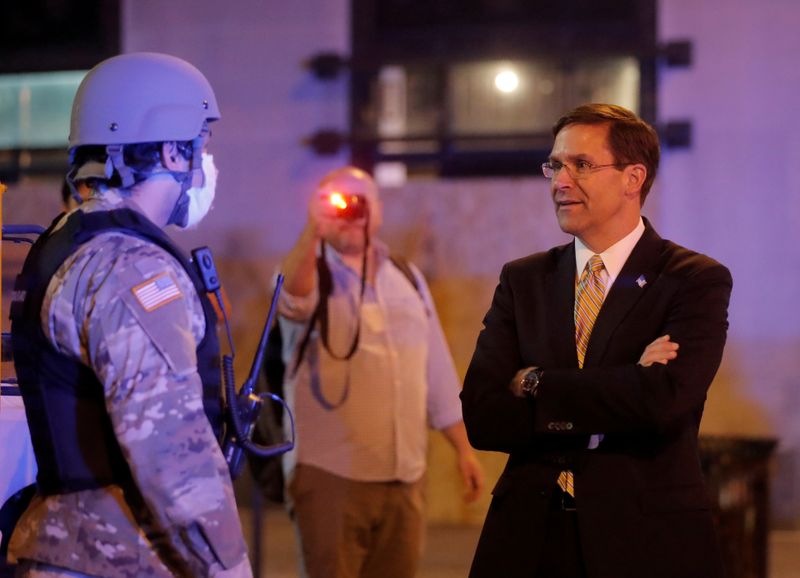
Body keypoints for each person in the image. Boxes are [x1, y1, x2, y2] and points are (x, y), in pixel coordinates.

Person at [460, 103, 732, 578]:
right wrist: (622, 385)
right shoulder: (524, 280)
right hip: (528, 538)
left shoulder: (692, 280)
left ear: (633, 178)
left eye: (581, 165)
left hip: (645, 538)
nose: (559, 181)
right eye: (555, 165)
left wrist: (535, 382)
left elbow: (660, 401)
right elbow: (483, 415)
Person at [8, 53, 251, 578]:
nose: (204, 165)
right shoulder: (131, 268)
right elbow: (173, 460)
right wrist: (228, 568)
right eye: (199, 147)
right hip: (118, 557)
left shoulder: (67, 242)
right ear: (169, 150)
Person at [277, 166, 485, 578]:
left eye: (360, 201)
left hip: (404, 477)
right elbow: (289, 299)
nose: (350, 211)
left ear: (379, 210)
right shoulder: (309, 272)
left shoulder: (406, 277)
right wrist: (312, 233)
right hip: (332, 475)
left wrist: (463, 449)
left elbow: (437, 370)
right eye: (338, 202)